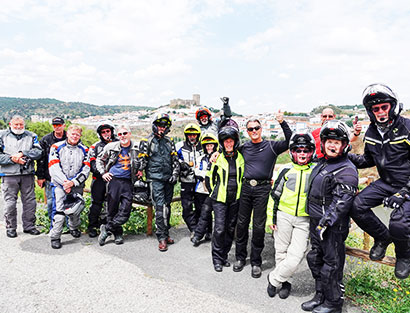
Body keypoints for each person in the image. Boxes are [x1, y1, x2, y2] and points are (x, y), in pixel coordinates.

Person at [349, 83, 410, 279]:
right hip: (386, 182)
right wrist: (346, 154)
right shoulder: (373, 132)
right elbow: (368, 160)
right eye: (376, 109)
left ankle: (404, 257)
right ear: (370, 112)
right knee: (356, 206)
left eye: (384, 107)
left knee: (399, 223)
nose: (381, 112)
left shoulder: (407, 128)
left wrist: (403, 193)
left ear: (392, 106)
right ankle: (383, 238)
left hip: (406, 184)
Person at [301, 120, 358, 313]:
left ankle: (334, 303)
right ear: (323, 143)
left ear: (344, 145)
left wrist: (326, 222)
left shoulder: (346, 169)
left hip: (332, 226)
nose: (332, 145)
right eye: (329, 141)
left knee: (331, 265)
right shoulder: (323, 162)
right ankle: (320, 295)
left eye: (337, 142)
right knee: (315, 258)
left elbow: (342, 201)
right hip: (317, 221)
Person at [233, 111, 292, 278]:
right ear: (247, 131)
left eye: (256, 128)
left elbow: (290, 141)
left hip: (262, 189)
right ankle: (240, 257)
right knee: (242, 224)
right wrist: (215, 154)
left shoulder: (271, 146)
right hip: (245, 187)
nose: (254, 131)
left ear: (261, 129)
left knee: (258, 226)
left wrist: (282, 122)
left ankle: (256, 261)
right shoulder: (243, 147)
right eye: (250, 129)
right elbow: (227, 150)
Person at [266, 131, 315, 299]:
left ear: (311, 152)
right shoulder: (285, 169)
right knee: (281, 251)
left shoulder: (315, 171)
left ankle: (274, 278)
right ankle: (286, 283)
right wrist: (271, 218)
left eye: (305, 150)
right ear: (292, 152)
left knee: (296, 255)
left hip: (304, 219)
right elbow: (274, 195)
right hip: (283, 215)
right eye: (298, 150)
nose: (302, 153)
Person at [138, 114, 180, 252]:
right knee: (160, 208)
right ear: (155, 125)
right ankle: (161, 238)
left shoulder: (169, 141)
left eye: (164, 126)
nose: (162, 128)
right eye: (160, 125)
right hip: (155, 179)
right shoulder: (147, 141)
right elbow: (141, 162)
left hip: (168, 179)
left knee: (167, 207)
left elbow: (175, 160)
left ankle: (166, 233)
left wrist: (175, 174)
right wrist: (139, 174)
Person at [205, 123, 244, 272]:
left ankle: (224, 256)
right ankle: (216, 259)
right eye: (226, 141)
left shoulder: (240, 157)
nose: (228, 143)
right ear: (222, 143)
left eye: (231, 141)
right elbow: (209, 178)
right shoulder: (217, 158)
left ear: (235, 142)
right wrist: (213, 193)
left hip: (235, 199)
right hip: (220, 199)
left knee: (229, 229)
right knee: (219, 229)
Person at [0, 115, 43, 238]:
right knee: (10, 204)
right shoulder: (2, 136)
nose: (19, 127)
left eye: (21, 125)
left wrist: (23, 153)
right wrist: (12, 159)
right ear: (10, 124)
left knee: (30, 202)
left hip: (27, 174)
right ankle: (11, 228)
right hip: (9, 175)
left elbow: (38, 152)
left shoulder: (31, 135)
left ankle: (29, 226)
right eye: (16, 125)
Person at [48, 125, 90, 249]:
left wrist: (73, 182)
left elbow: (86, 169)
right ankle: (55, 236)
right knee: (59, 211)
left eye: (77, 134)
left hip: (76, 186)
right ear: (68, 134)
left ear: (80, 136)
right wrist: (65, 183)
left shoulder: (85, 150)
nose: (74, 136)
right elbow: (53, 167)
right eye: (72, 133)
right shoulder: (56, 147)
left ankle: (74, 228)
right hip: (60, 186)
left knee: (74, 210)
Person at [97, 124, 139, 246]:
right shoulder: (111, 147)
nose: (122, 136)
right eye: (120, 134)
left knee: (126, 211)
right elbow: (100, 160)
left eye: (125, 133)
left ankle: (107, 228)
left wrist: (140, 169)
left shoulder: (136, 147)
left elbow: (142, 161)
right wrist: (103, 173)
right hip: (114, 180)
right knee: (112, 209)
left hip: (128, 181)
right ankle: (117, 234)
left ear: (130, 134)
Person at [87, 121, 117, 238]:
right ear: (100, 134)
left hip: (114, 179)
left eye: (108, 131)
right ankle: (92, 226)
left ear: (112, 132)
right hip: (99, 178)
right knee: (96, 204)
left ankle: (109, 226)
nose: (106, 133)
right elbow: (92, 163)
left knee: (112, 203)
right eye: (103, 132)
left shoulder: (118, 144)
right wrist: (102, 172)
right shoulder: (95, 146)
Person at [36, 117, 67, 225]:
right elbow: (41, 159)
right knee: (50, 200)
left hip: (67, 176)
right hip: (50, 176)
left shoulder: (71, 137)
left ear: (64, 125)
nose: (57, 127)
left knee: (68, 201)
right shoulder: (45, 140)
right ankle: (52, 222)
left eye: (59, 125)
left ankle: (68, 224)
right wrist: (40, 176)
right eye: (55, 125)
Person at [191, 133, 219, 246]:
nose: (209, 148)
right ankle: (206, 233)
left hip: (214, 189)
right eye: (207, 146)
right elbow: (197, 171)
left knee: (207, 212)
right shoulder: (200, 158)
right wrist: (207, 175)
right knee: (201, 212)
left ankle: (201, 234)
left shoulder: (219, 158)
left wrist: (207, 175)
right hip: (200, 189)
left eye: (211, 145)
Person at [176, 123, 203, 235]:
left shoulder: (203, 146)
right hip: (186, 180)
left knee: (200, 207)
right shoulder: (179, 146)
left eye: (194, 134)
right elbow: (173, 159)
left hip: (200, 182)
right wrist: (182, 164)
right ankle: (193, 229)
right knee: (186, 207)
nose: (192, 137)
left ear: (198, 135)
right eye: (189, 134)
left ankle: (199, 230)